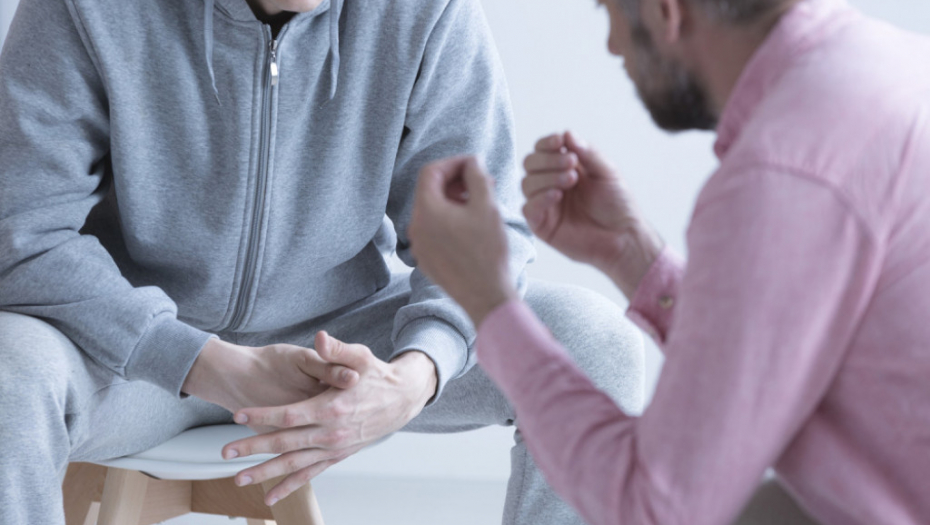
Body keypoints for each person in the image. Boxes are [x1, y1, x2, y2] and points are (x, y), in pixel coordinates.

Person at [0, 0, 646, 523]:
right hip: (129, 352)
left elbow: (480, 228)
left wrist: (416, 374)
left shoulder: (429, 10)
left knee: (590, 341)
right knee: (7, 372)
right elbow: (21, 227)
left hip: (340, 340)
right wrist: (204, 362)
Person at [407, 0, 930, 523]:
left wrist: (489, 301)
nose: (612, 45)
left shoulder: (781, 172)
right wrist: (633, 254)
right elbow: (772, 355)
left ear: (665, 12)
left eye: (609, 11)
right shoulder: (893, 66)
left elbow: (655, 505)